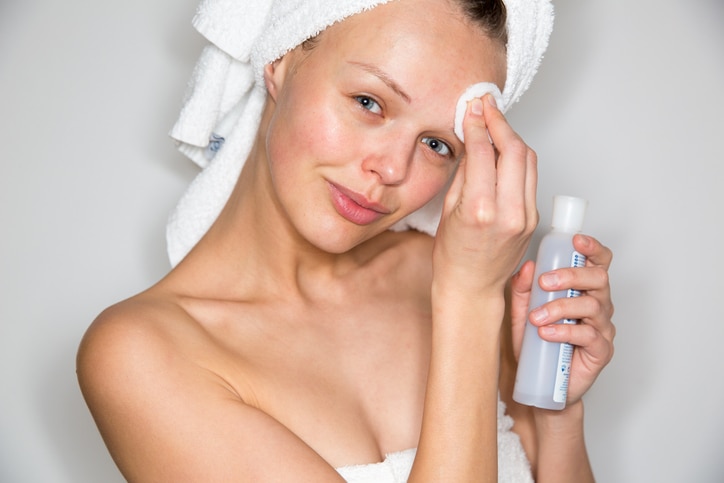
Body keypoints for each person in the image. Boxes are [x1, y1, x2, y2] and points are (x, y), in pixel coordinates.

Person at [77, 0, 616, 481]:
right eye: (369, 102)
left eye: (436, 143)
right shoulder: (141, 356)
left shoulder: (451, 275)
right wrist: (469, 303)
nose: (390, 168)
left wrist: (555, 409)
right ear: (281, 59)